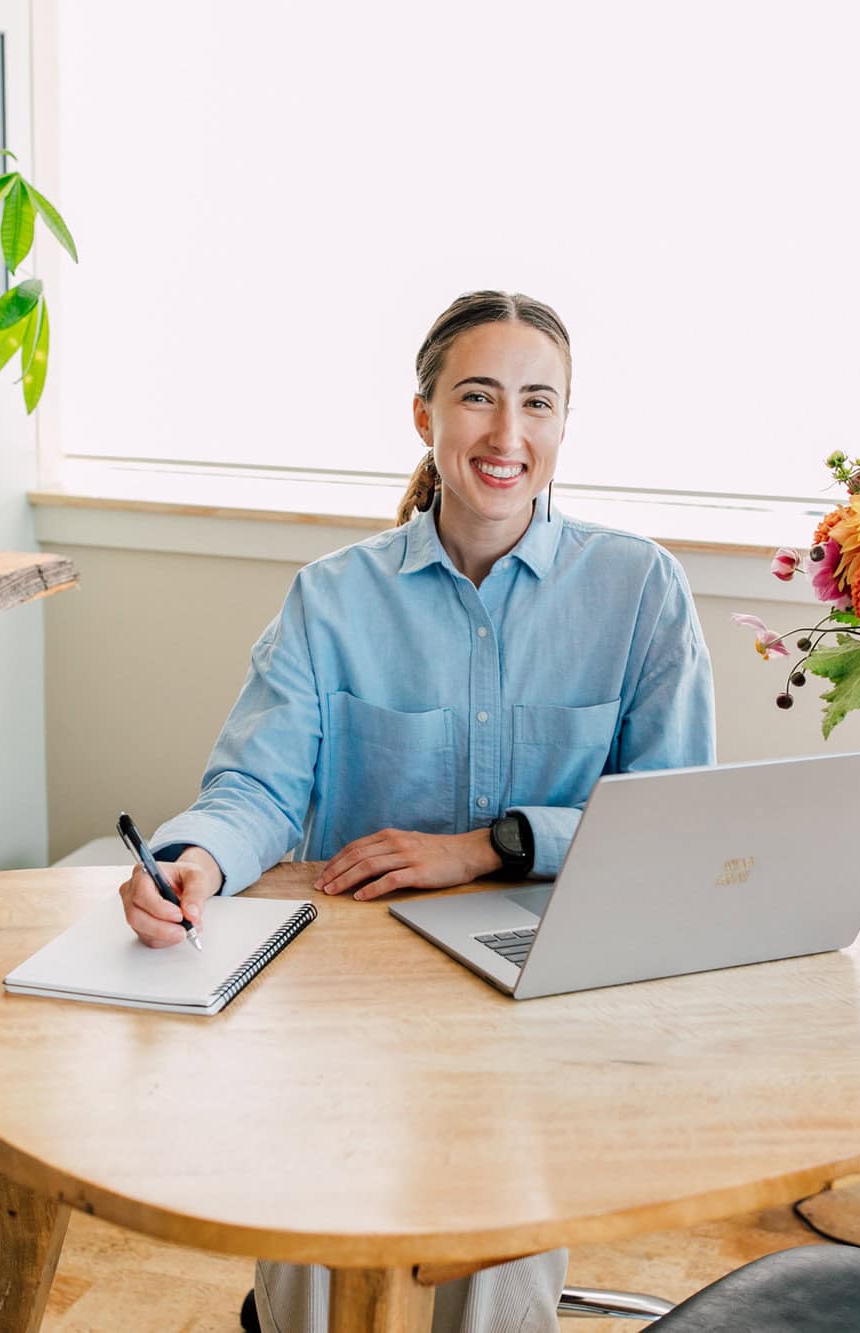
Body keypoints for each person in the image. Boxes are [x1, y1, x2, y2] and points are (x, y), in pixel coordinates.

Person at [118, 290, 716, 1333]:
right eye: (476, 398)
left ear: (565, 424)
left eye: (537, 403)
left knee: (493, 1255)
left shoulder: (638, 589)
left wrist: (490, 846)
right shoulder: (332, 597)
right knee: (312, 1256)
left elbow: (672, 818)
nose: (506, 433)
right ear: (423, 416)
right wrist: (194, 862)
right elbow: (257, 787)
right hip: (351, 993)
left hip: (542, 978)